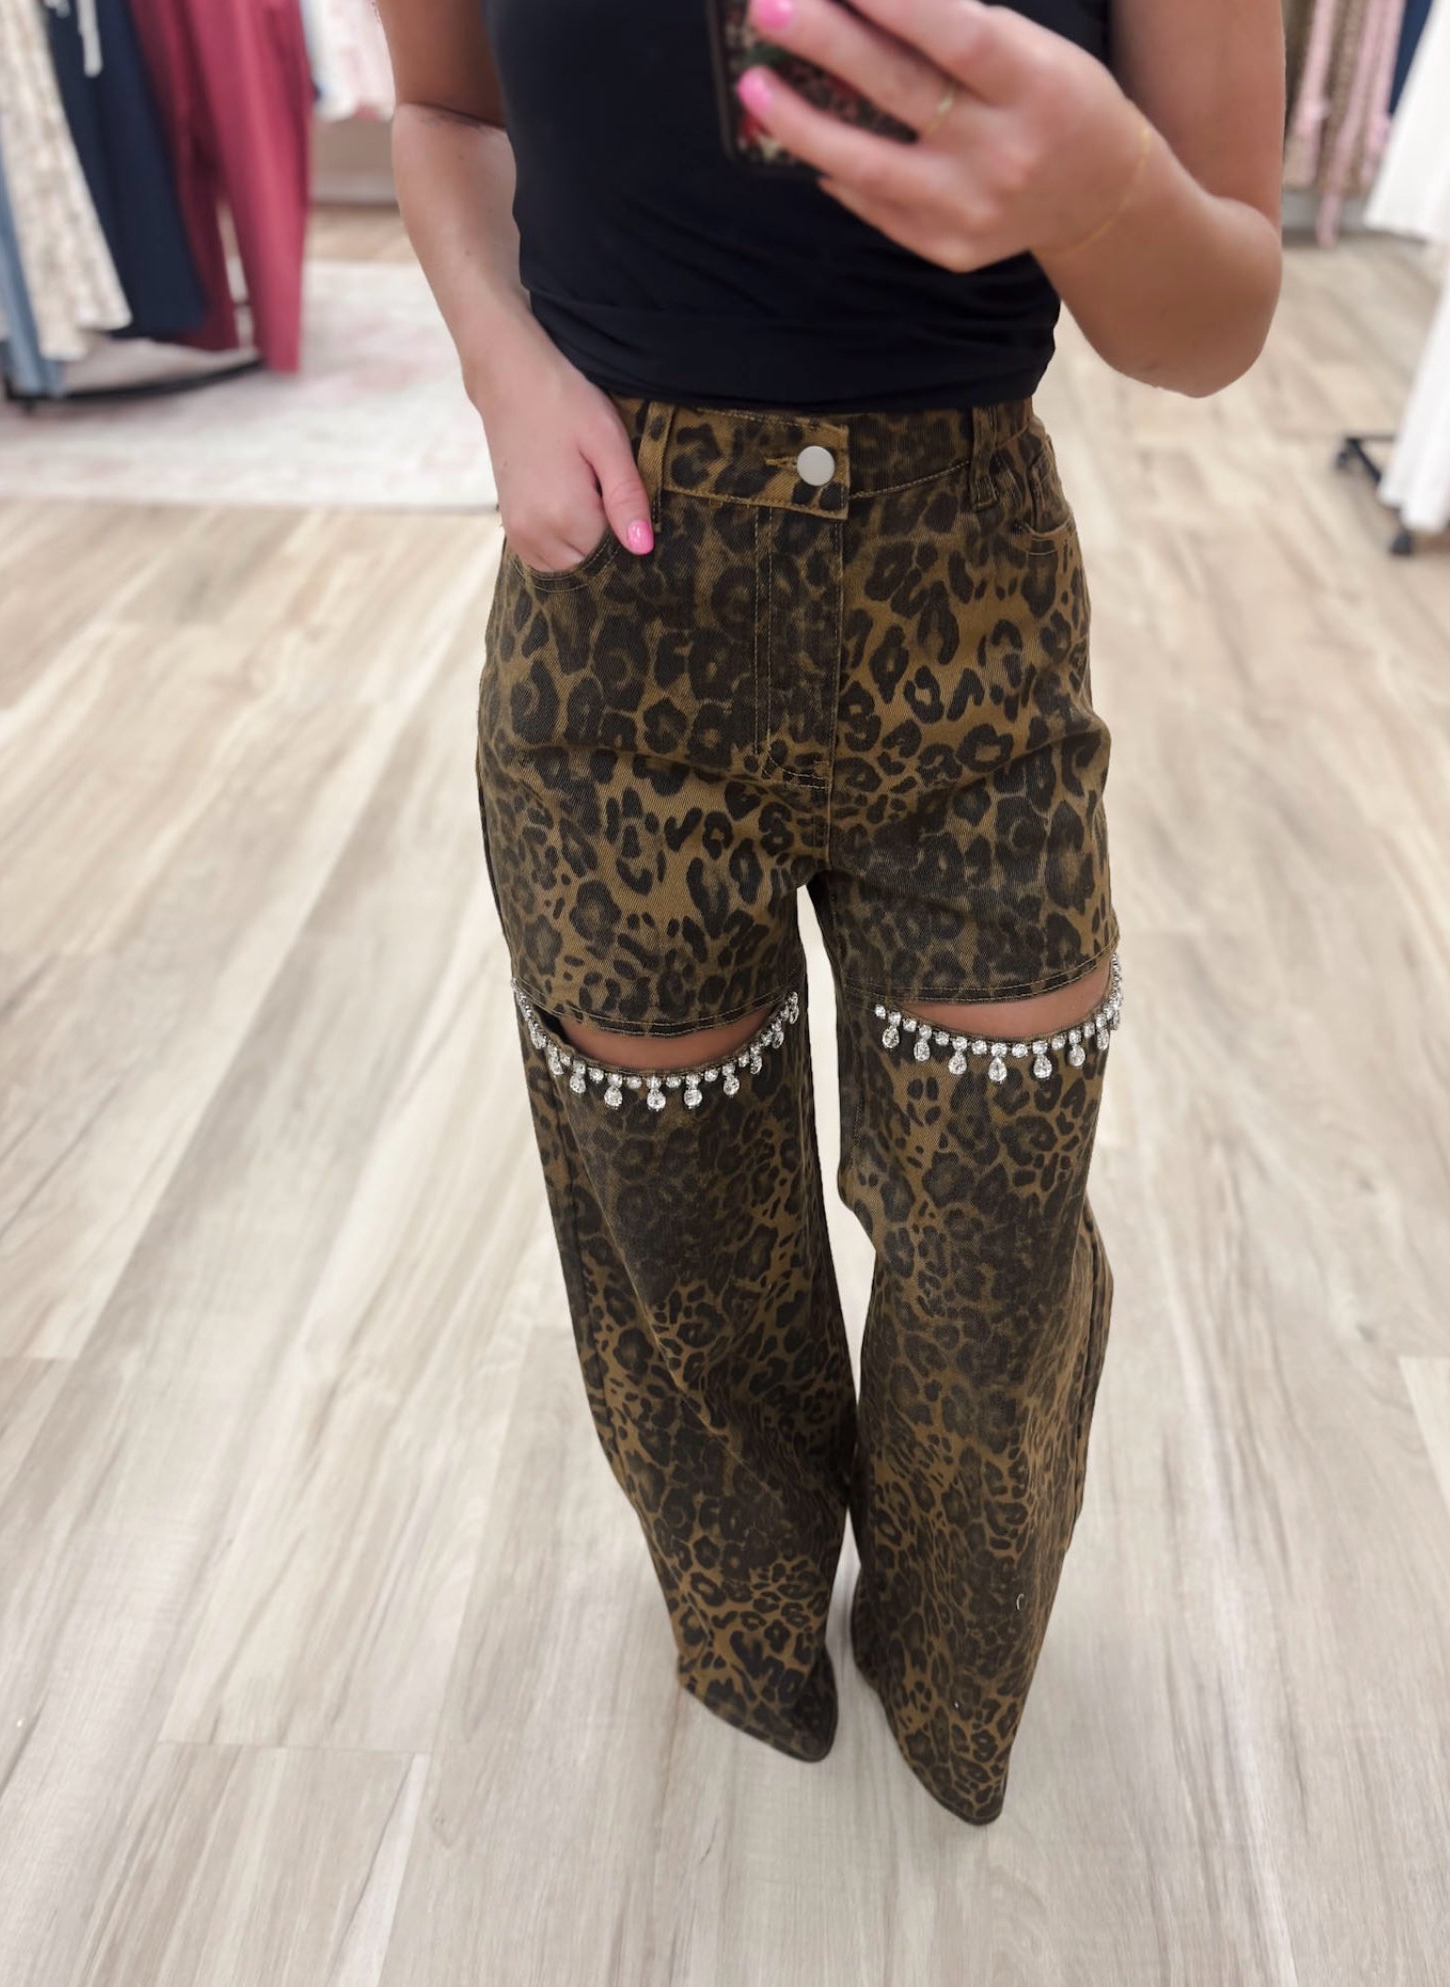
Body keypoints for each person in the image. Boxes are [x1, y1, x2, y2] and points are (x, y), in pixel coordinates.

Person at [374, 0, 1284, 1824]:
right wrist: (501, 363)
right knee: (678, 1225)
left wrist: (1099, 185)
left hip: (972, 599)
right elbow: (441, 110)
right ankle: (751, 1627)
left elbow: (1218, 315)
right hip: (615, 597)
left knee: (997, 1250)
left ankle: (952, 1675)